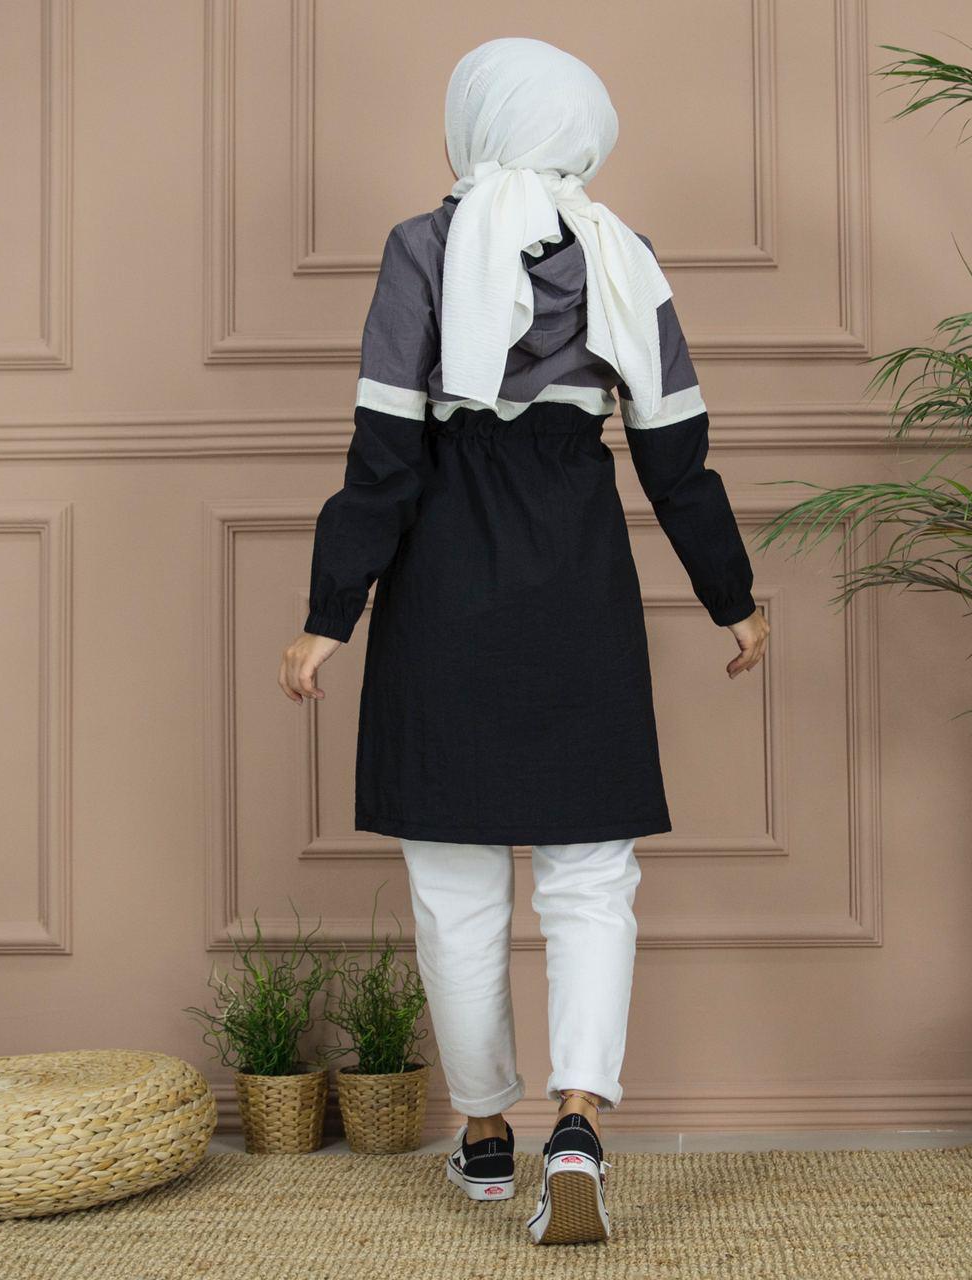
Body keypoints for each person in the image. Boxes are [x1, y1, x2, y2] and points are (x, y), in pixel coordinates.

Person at [279, 35, 769, 1246]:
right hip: (577, 584)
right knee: (590, 874)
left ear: (479, 121)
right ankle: (579, 1121)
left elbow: (384, 455)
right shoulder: (620, 253)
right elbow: (675, 455)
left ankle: (486, 1133)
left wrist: (328, 613)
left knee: (454, 887)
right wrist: (732, 596)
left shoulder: (422, 246)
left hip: (444, 584)